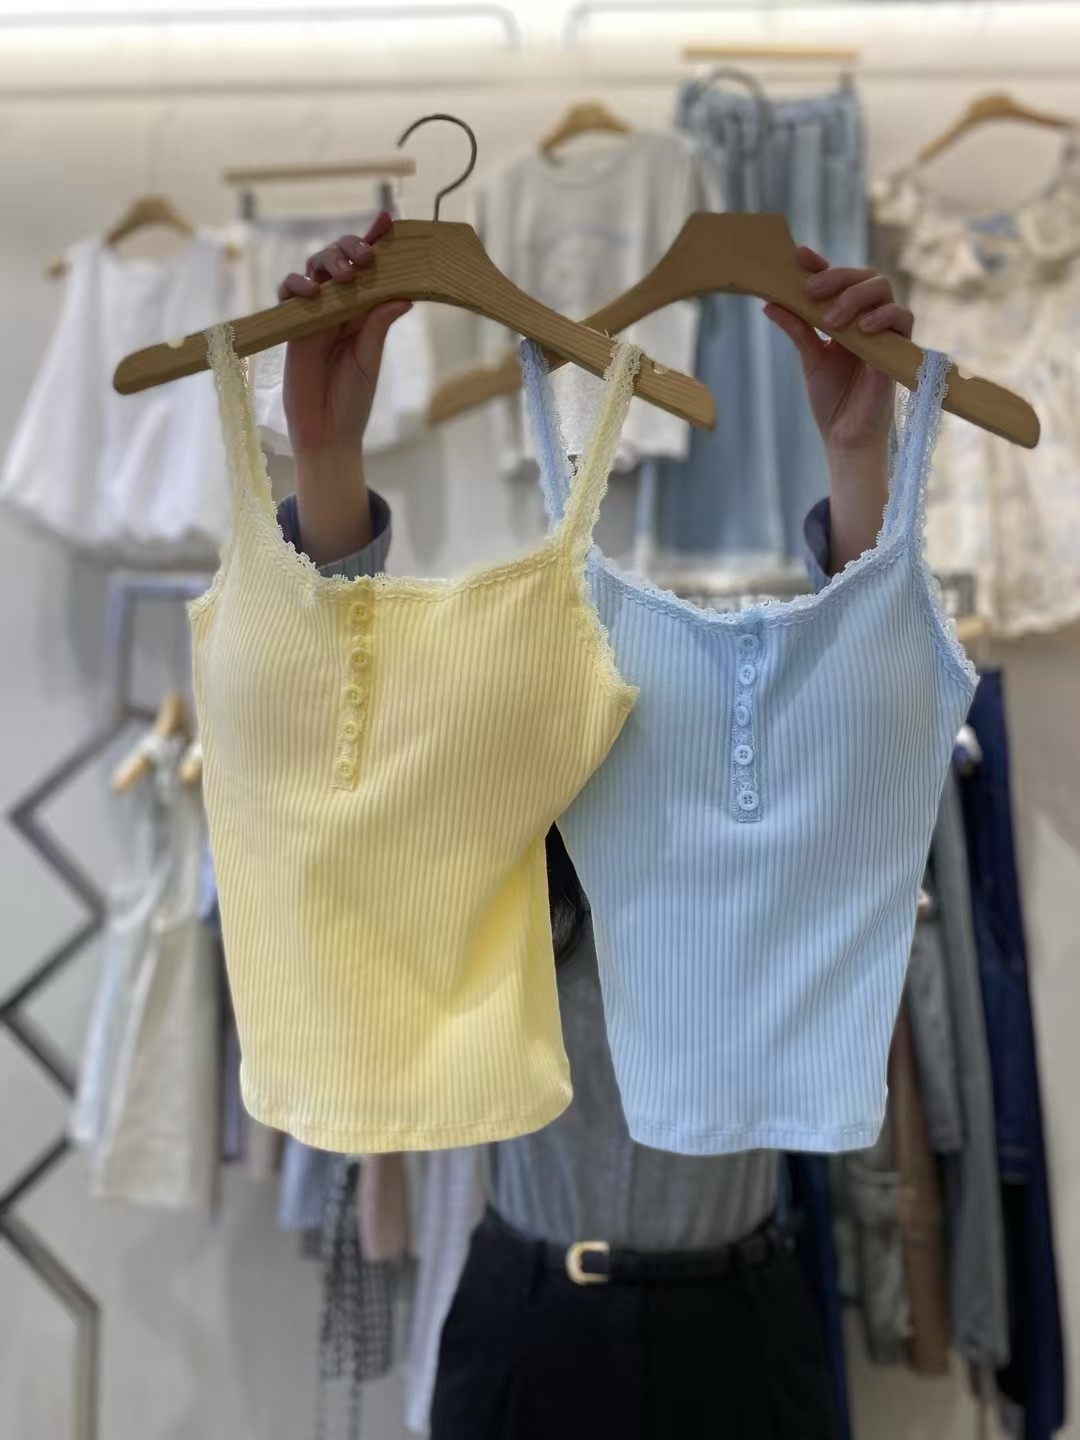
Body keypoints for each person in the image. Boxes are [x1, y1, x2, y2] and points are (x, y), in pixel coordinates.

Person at [274, 213, 916, 1440]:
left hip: (740, 1324)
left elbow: (866, 726)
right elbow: (351, 733)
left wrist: (857, 460)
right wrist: (324, 453)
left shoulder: (752, 851)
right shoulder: (500, 845)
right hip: (528, 1319)